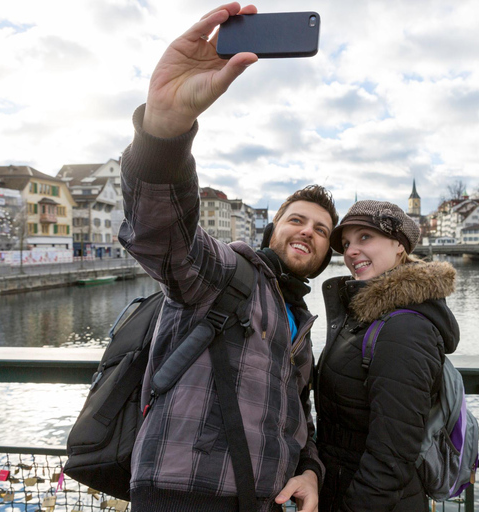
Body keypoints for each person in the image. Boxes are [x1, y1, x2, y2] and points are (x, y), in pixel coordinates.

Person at [117, 3, 334, 511]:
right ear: (271, 229)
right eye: (296, 220)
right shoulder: (225, 272)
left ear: (327, 254)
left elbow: (294, 416)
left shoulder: (297, 319)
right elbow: (161, 235)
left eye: (322, 231)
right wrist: (164, 132)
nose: (308, 232)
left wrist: (311, 470)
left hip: (264, 499)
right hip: (185, 493)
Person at [315, 200, 461, 512]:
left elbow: (392, 455)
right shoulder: (368, 314)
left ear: (398, 246)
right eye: (346, 243)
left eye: (365, 237)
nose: (351, 251)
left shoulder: (405, 327)